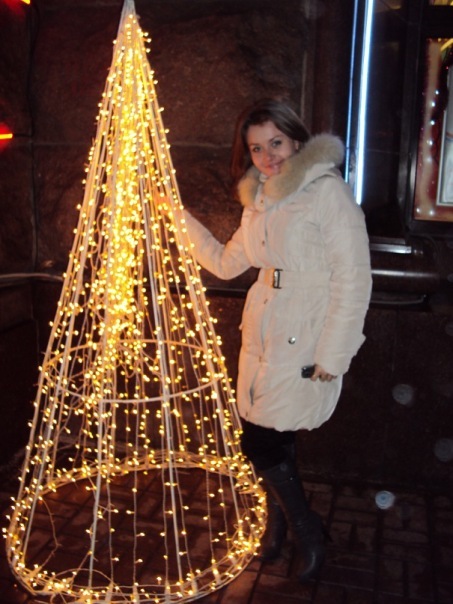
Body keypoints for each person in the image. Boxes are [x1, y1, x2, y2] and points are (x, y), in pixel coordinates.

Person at [181, 98, 372, 583]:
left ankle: (308, 531)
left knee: (260, 441)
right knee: (273, 433)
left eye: (276, 143)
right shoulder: (260, 199)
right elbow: (226, 263)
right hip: (264, 328)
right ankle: (278, 525)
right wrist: (177, 218)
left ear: (297, 140)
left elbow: (354, 278)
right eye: (256, 148)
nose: (268, 157)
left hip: (305, 332)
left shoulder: (327, 192)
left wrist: (334, 354)